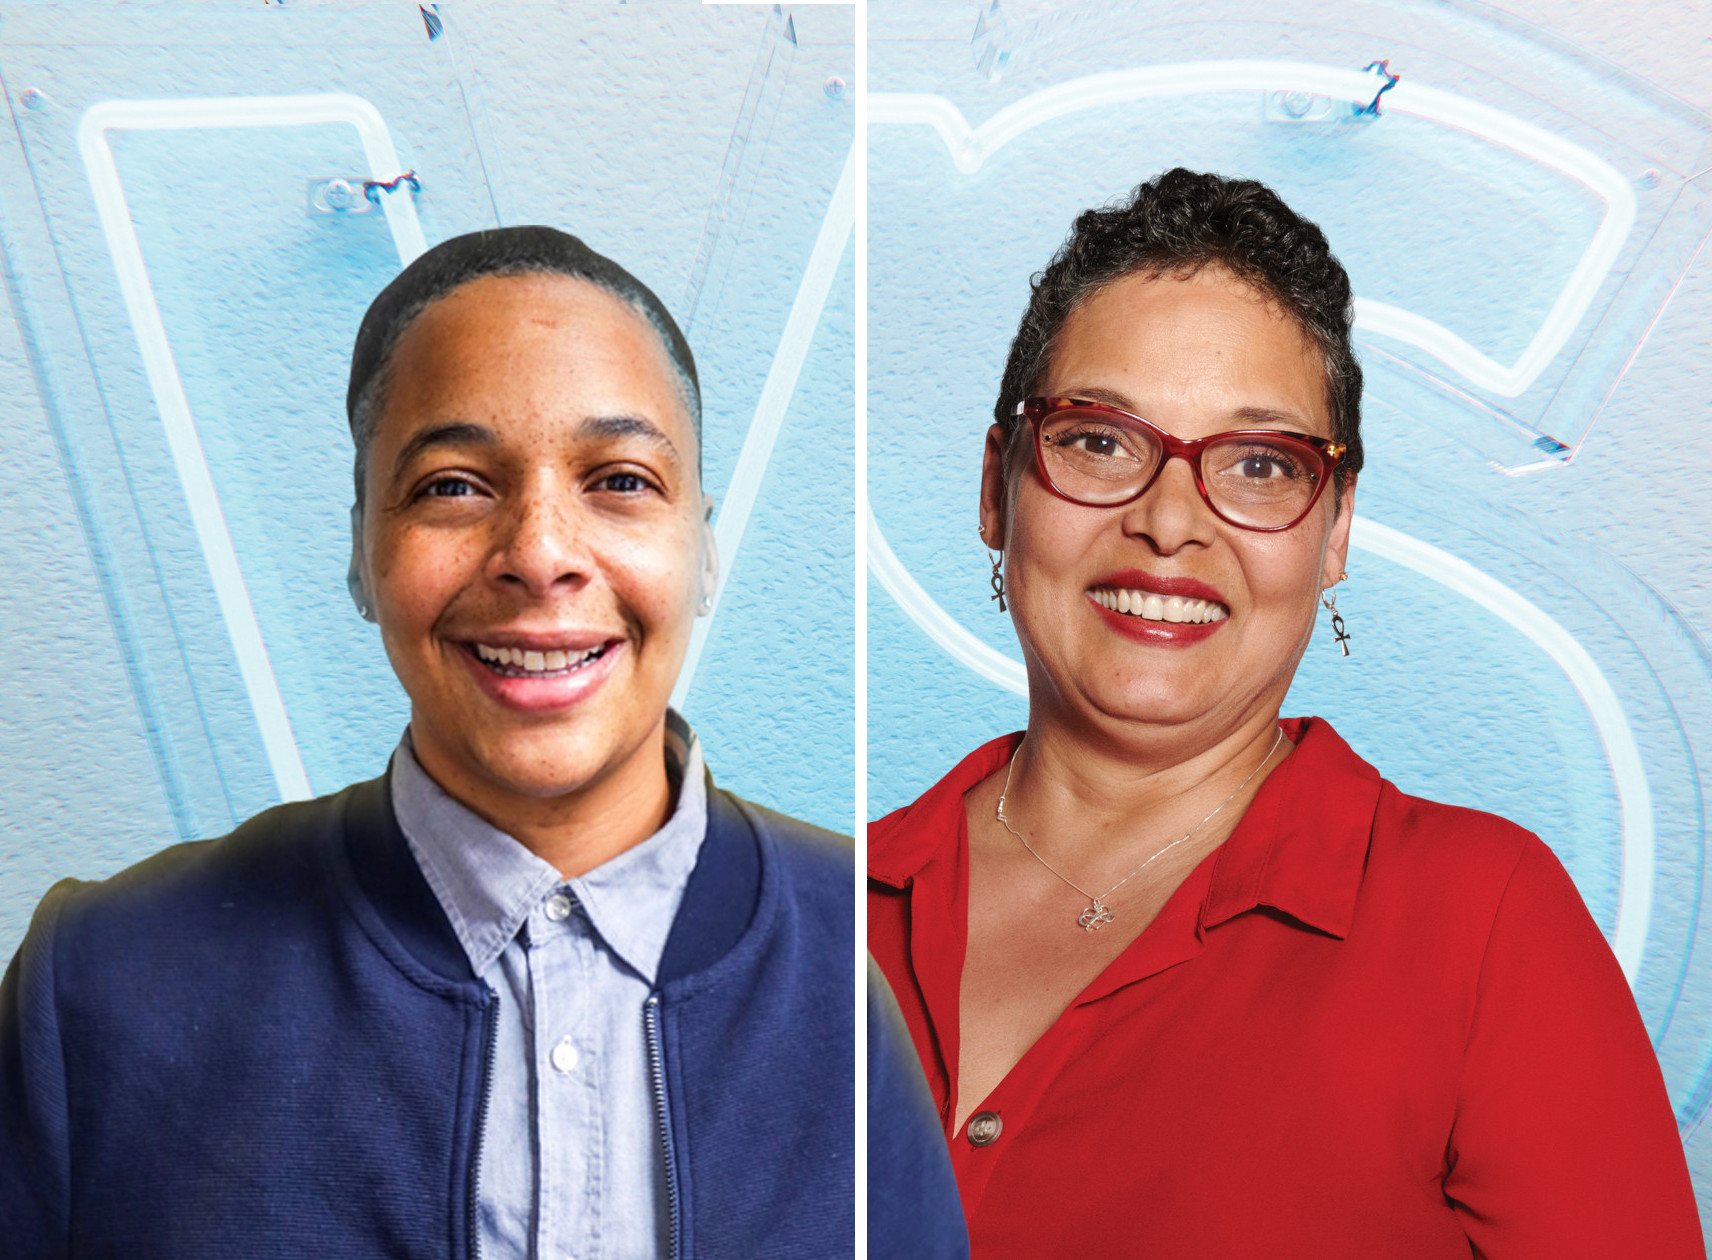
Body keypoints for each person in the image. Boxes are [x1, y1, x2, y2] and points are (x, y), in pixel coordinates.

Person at [866, 170, 1704, 1257]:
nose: (1169, 522)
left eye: (1259, 464)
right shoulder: (811, 922)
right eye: (1099, 440)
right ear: (998, 486)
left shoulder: (1480, 929)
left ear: (1334, 528)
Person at [0, 226, 858, 1259]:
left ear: (704, 550)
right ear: (363, 552)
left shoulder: (868, 962)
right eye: (453, 485)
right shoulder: (102, 983)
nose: (540, 554)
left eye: (620, 480)